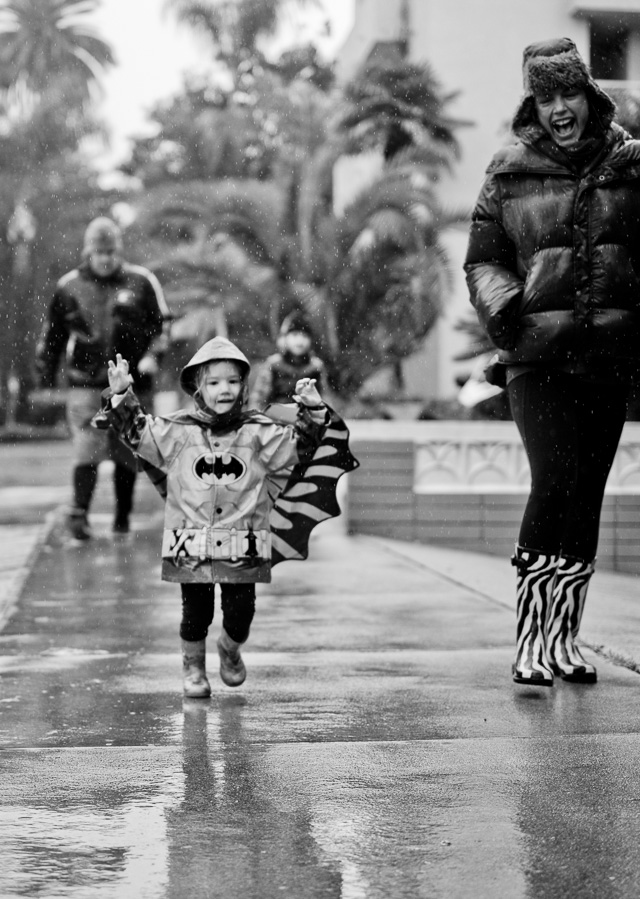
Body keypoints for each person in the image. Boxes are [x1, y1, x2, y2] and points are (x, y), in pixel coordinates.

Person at [464, 37, 640, 688]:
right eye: (545, 96)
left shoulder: (630, 166)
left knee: (587, 495)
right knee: (554, 480)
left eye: (568, 93)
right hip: (535, 356)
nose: (558, 108)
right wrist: (507, 309)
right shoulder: (509, 169)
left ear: (589, 96)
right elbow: (482, 257)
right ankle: (529, 639)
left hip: (608, 356)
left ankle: (564, 640)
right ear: (532, 103)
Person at [97, 336, 350, 698]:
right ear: (199, 389)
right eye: (214, 383)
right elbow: (138, 433)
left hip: (242, 543)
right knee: (195, 614)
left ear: (243, 386)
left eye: (232, 382)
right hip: (191, 544)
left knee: (240, 612)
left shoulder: (258, 433)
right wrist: (122, 394)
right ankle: (194, 669)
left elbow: (300, 448)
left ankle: (230, 649)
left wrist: (314, 412)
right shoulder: (179, 431)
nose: (224, 390)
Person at [35, 216, 170, 541]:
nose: (106, 258)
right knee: (87, 448)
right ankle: (80, 513)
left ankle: (122, 519)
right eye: (100, 252)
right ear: (89, 252)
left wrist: (153, 356)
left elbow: (162, 326)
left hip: (132, 383)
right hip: (86, 383)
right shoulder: (69, 286)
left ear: (118, 251)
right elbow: (52, 336)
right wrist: (45, 377)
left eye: (111, 251)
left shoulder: (141, 281)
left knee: (127, 449)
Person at [250, 310, 326, 410]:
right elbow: (259, 398)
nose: (299, 341)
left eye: (304, 336)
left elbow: (325, 398)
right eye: (295, 335)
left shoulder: (316, 366)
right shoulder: (273, 364)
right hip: (276, 419)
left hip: (308, 418)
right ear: (285, 338)